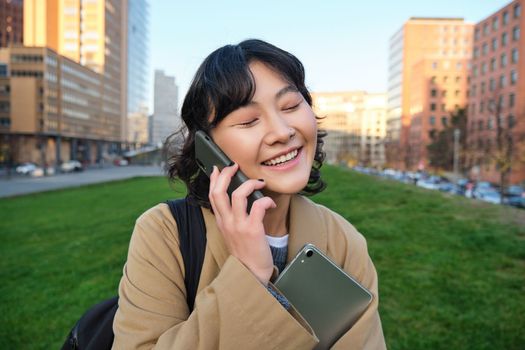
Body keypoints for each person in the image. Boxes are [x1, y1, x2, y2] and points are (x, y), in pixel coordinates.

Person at [112, 39, 386, 349]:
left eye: (292, 106)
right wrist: (249, 274)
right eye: (248, 121)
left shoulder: (343, 240)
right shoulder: (164, 233)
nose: (283, 132)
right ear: (208, 147)